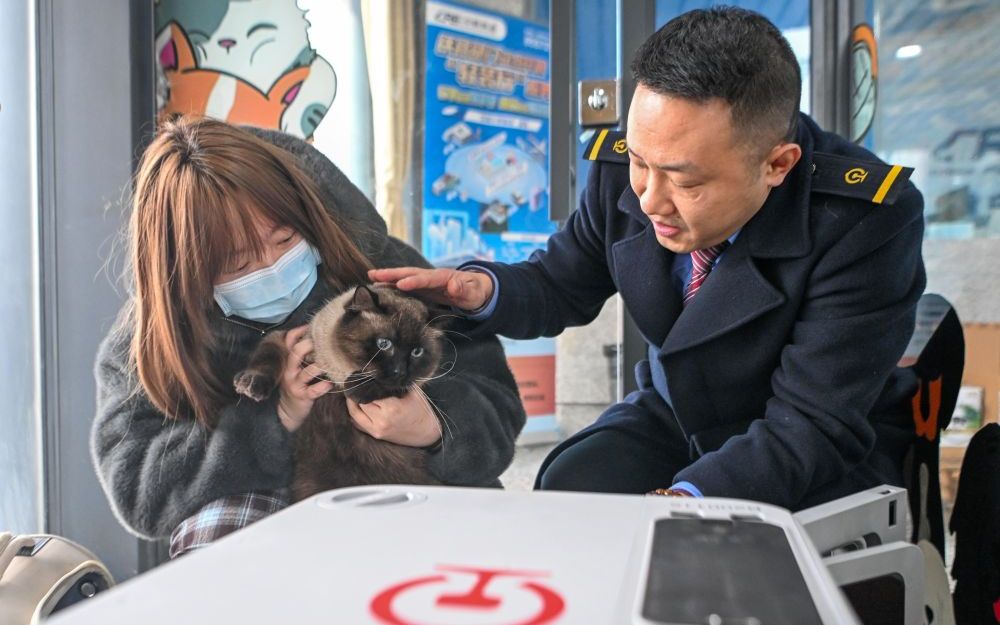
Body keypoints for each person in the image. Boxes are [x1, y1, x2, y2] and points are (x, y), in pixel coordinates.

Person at [371, 7, 926, 511]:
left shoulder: (864, 219)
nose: (649, 200)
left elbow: (813, 421)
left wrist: (682, 502)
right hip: (678, 412)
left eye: (686, 182)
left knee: (710, 555)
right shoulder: (632, 166)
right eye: (640, 163)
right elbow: (562, 281)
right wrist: (481, 291)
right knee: (572, 486)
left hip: (806, 439)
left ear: (777, 165)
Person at [91, 116, 525, 557]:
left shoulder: (380, 269)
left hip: (419, 494)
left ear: (306, 214)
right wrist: (269, 422)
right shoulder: (149, 344)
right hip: (267, 524)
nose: (272, 267)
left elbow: (498, 409)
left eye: (285, 239)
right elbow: (140, 492)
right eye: (239, 264)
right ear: (188, 272)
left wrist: (433, 427)